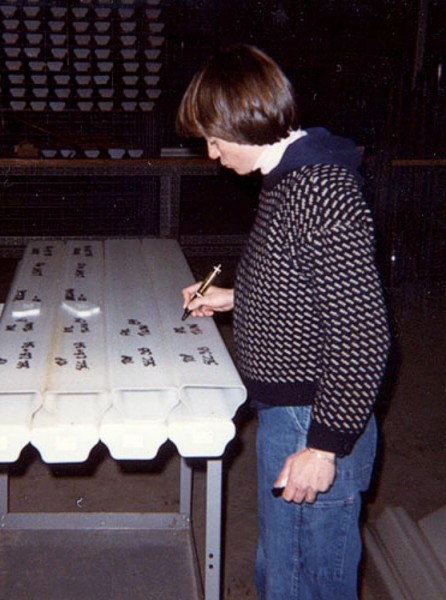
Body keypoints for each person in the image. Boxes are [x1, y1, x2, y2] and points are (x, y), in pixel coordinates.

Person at [178, 44, 390, 600]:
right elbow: (301, 282)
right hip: (290, 414)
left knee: (305, 583)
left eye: (214, 139)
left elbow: (361, 333)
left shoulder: (321, 189)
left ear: (243, 124)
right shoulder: (286, 179)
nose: (212, 154)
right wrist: (233, 298)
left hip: (311, 419)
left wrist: (324, 447)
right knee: (280, 570)